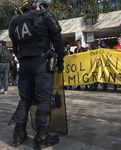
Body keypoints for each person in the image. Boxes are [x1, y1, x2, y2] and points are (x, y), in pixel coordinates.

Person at [9, 0, 65, 149]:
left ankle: (18, 135)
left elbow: (15, 45)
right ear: (37, 6)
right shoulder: (43, 15)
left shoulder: (15, 21)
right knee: (43, 101)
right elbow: (57, 39)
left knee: (24, 100)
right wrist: (61, 59)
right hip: (41, 63)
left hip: (24, 64)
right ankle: (42, 136)